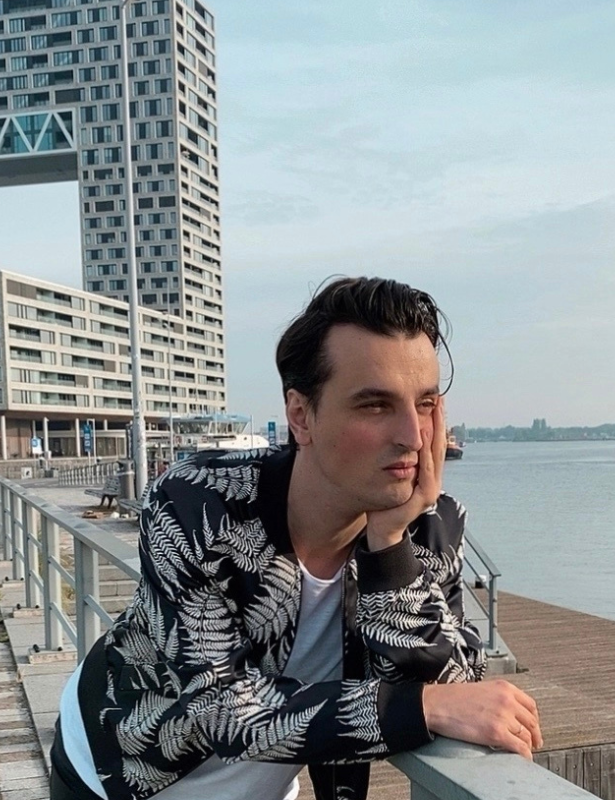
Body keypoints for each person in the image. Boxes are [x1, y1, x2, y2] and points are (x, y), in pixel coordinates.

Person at [50, 277, 542, 800]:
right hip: (116, 774)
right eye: (375, 405)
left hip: (265, 785)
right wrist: (417, 708)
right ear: (300, 415)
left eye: (425, 404)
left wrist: (391, 548)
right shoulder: (198, 504)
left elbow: (457, 692)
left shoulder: (431, 525)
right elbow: (219, 707)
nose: (413, 436)